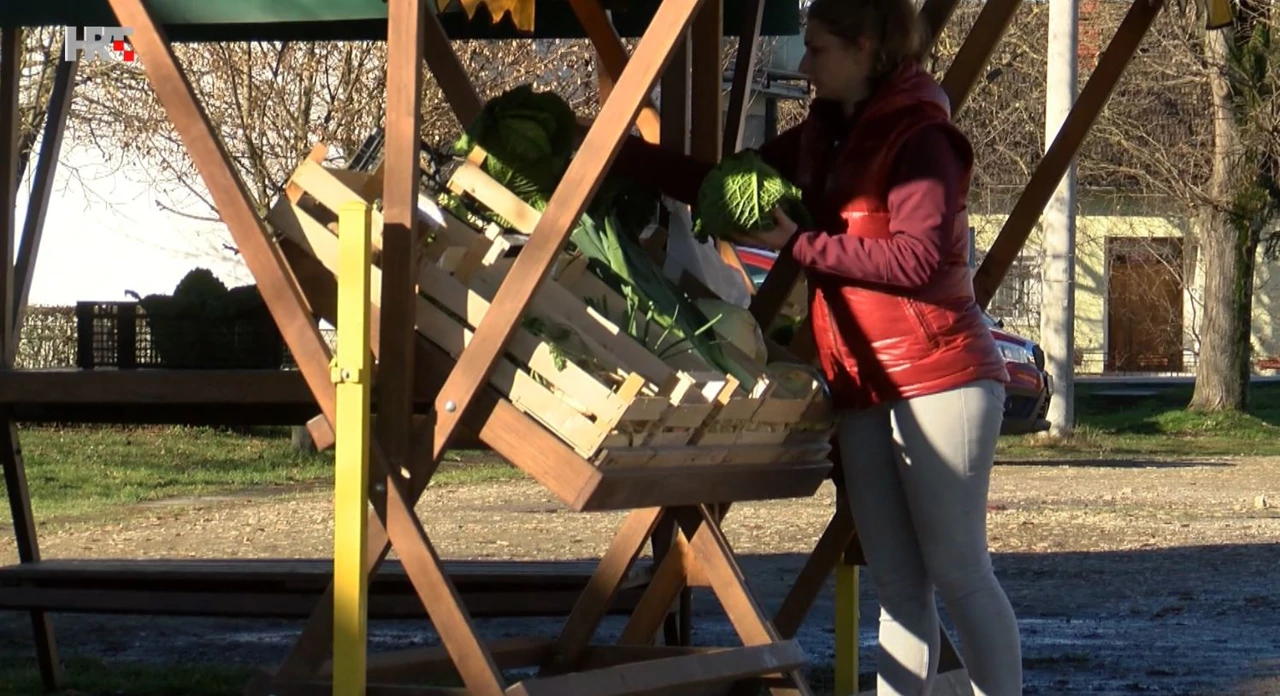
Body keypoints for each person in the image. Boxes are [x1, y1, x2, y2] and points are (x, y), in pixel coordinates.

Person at [612, 0, 1023, 693]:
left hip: (939, 377)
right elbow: (719, 183)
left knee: (959, 573)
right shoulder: (825, 135)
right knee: (898, 586)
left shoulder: (924, 140)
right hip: (861, 384)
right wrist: (613, 155)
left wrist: (801, 243)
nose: (803, 66)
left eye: (818, 49)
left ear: (866, 50)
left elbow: (919, 260)